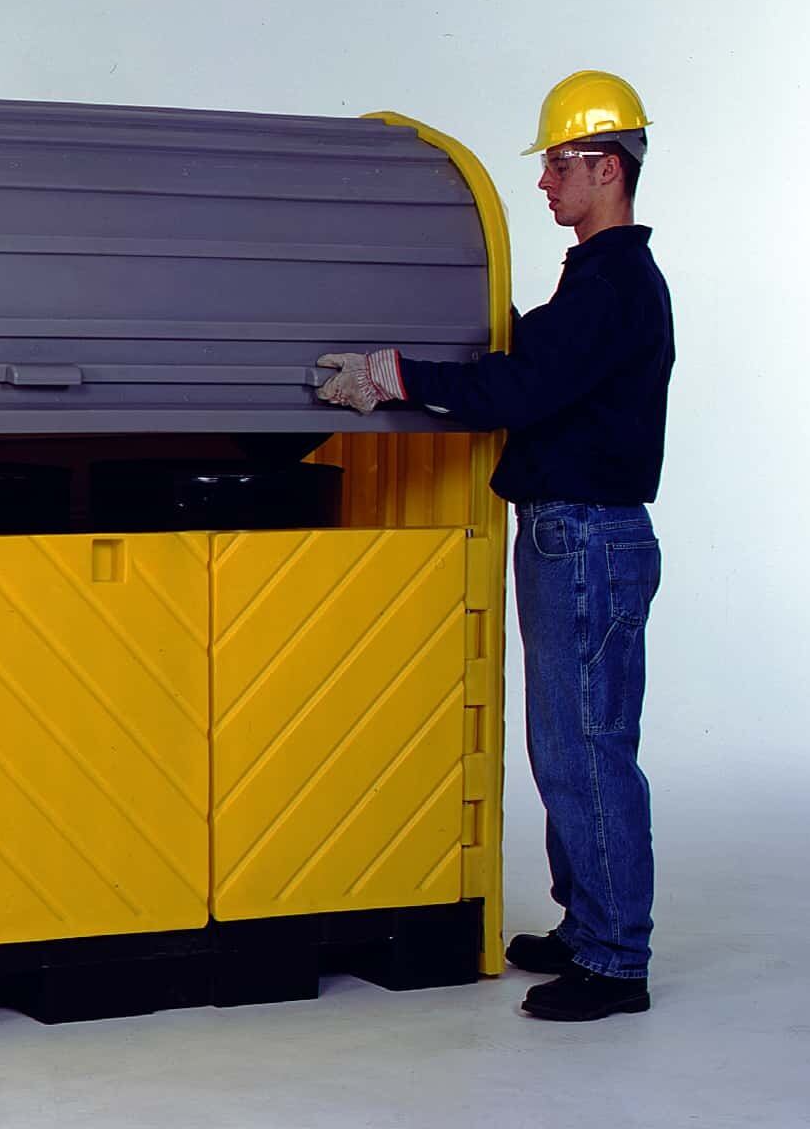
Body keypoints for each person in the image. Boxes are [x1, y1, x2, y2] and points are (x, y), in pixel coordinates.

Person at [314, 71, 674, 1022]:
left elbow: (519, 389)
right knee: (571, 742)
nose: (545, 183)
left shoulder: (613, 285)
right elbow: (529, 354)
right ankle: (588, 925)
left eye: (559, 165)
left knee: (584, 747)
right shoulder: (599, 281)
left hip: (583, 536)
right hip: (577, 535)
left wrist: (398, 376)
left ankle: (615, 961)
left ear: (606, 167)